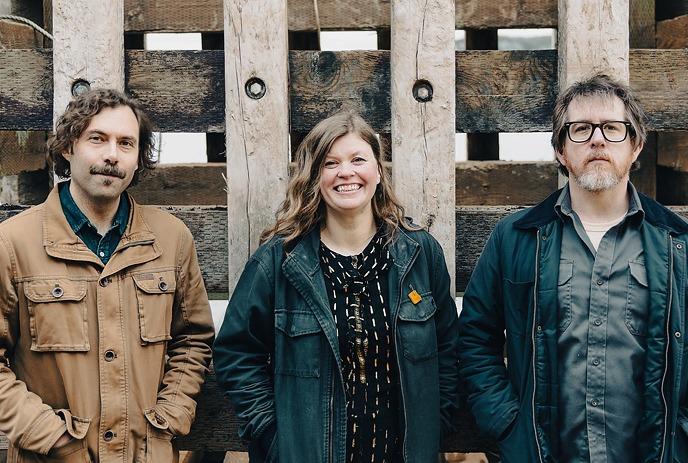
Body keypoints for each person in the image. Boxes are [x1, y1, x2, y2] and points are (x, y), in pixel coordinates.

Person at [457, 73, 688, 462]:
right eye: (580, 129)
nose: (597, 140)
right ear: (561, 151)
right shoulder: (515, 237)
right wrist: (507, 425)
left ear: (636, 146)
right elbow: (475, 339)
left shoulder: (677, 243)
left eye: (613, 128)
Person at [213, 111, 460, 462]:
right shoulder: (279, 261)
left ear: (377, 171)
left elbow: (448, 347)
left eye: (358, 159)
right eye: (330, 163)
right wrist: (273, 438)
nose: (346, 172)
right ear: (315, 177)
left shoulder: (419, 255)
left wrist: (434, 423)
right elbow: (236, 353)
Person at [0, 88, 215, 462]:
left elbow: (193, 341)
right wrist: (53, 439)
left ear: (137, 160)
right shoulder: (13, 243)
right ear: (68, 148)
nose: (111, 155)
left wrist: (167, 420)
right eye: (97, 139)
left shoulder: (171, 239)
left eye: (126, 143)